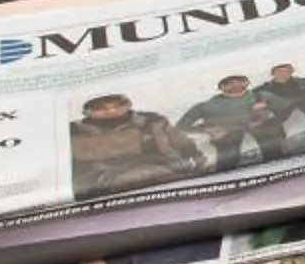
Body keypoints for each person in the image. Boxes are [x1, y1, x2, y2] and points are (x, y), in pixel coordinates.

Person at [67, 94, 208, 200]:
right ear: (86, 112)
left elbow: (185, 145)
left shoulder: (153, 121)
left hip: (165, 172)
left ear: (128, 104)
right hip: (102, 182)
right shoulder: (71, 132)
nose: (111, 111)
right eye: (100, 108)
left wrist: (196, 160)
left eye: (117, 105)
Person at [177, 75, 282, 171]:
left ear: (247, 83)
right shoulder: (207, 105)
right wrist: (205, 130)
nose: (235, 85)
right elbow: (181, 126)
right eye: (228, 83)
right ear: (221, 87)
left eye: (240, 81)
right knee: (229, 150)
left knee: (269, 139)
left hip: (259, 131)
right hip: (227, 135)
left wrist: (267, 111)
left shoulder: (261, 96)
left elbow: (288, 107)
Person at [260, 62, 305, 144]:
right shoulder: (265, 88)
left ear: (291, 71)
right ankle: (278, 141)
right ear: (273, 74)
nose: (283, 75)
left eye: (286, 72)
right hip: (281, 109)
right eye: (279, 72)